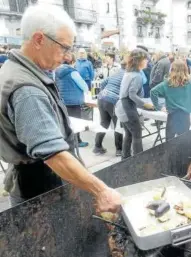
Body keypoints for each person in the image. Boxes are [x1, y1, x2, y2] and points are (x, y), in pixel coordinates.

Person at [0, 5, 121, 211]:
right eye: (64, 47)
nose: (67, 56)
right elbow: (53, 153)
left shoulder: (16, 69)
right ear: (39, 39)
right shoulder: (27, 89)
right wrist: (102, 190)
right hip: (39, 187)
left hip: (35, 180)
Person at [150, 60, 191, 140]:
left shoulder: (167, 83)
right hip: (185, 116)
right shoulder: (190, 82)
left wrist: (159, 107)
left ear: (172, 69)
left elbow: (153, 92)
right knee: (183, 142)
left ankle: (170, 152)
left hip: (172, 115)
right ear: (185, 70)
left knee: (169, 142)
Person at [115, 49, 154, 159]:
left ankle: (125, 158)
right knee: (137, 135)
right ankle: (138, 160)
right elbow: (132, 95)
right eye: (145, 59)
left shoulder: (128, 73)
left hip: (121, 107)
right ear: (139, 61)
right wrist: (145, 104)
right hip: (127, 108)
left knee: (128, 134)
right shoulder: (136, 76)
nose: (147, 61)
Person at [93, 61, 126, 156]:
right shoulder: (127, 75)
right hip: (112, 101)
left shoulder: (116, 73)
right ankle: (119, 150)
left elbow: (103, 83)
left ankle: (97, 147)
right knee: (118, 125)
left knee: (104, 123)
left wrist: (106, 92)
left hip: (102, 97)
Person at [55, 53, 89, 148]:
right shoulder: (73, 72)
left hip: (62, 100)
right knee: (76, 123)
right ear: (73, 62)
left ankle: (68, 141)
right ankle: (77, 141)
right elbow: (84, 86)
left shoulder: (57, 71)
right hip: (74, 101)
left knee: (67, 122)